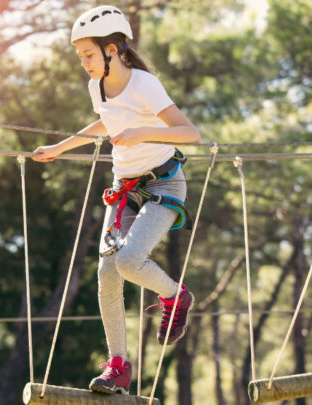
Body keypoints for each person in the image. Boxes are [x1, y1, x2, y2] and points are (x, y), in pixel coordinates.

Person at [32, 5, 201, 395]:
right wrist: (61, 147)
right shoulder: (98, 86)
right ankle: (118, 366)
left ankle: (177, 297)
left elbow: (189, 132)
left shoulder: (144, 85)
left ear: (112, 50)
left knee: (128, 260)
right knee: (108, 274)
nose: (83, 63)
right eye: (80, 57)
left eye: (88, 55)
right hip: (124, 188)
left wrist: (143, 132)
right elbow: (106, 120)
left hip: (163, 186)